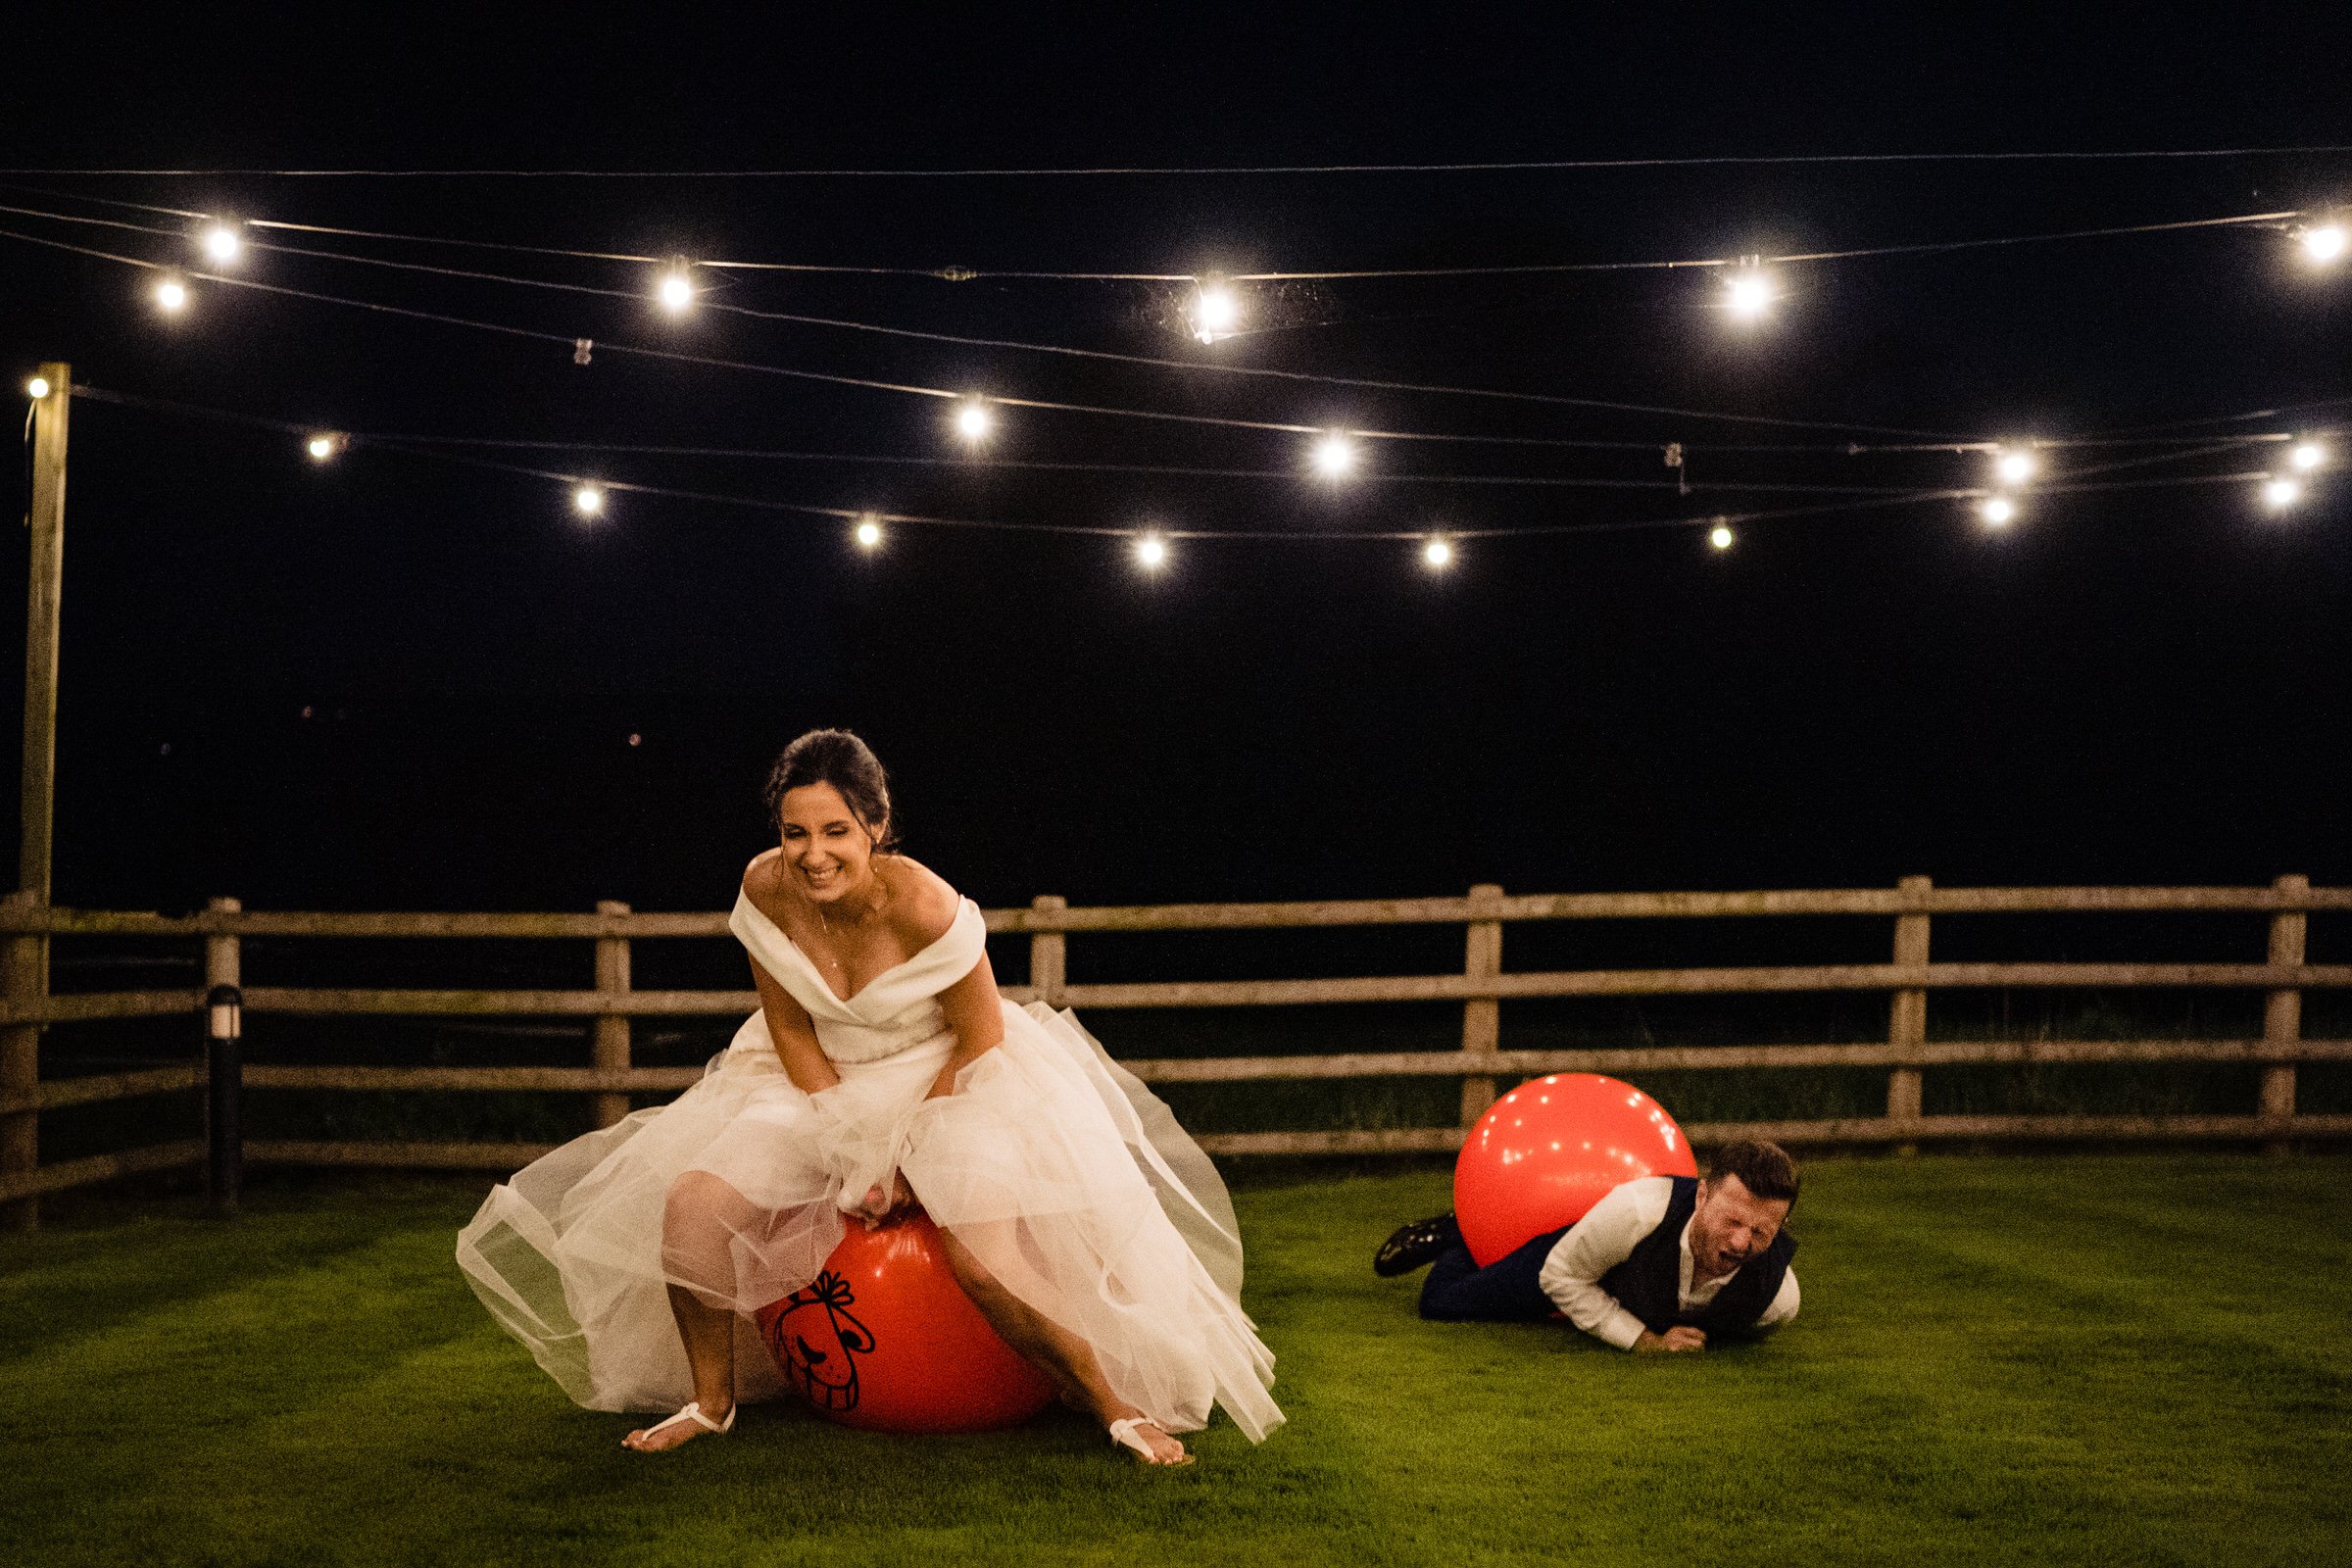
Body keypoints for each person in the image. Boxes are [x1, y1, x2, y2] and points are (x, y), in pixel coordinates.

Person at [458, 729, 1280, 1466]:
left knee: (981, 1261)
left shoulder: (926, 905)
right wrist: (850, 1142)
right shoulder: (765, 889)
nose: (813, 854)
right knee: (692, 1208)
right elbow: (791, 1029)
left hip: (953, 1078)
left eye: (835, 832)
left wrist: (906, 1152)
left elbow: (982, 1037)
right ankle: (709, 1406)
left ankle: (1115, 1407)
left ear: (877, 827)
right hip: (818, 1077)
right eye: (795, 833)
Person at [1372, 1139, 1801, 1352]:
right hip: (1593, 1260)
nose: (1742, 1242)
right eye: (1732, 1221)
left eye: (1762, 1232)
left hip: (1628, 1277)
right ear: (1702, 1196)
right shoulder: (1637, 1212)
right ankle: (1459, 1230)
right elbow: (1559, 1275)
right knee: (1442, 1302)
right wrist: (1644, 1340)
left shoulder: (1775, 1301)